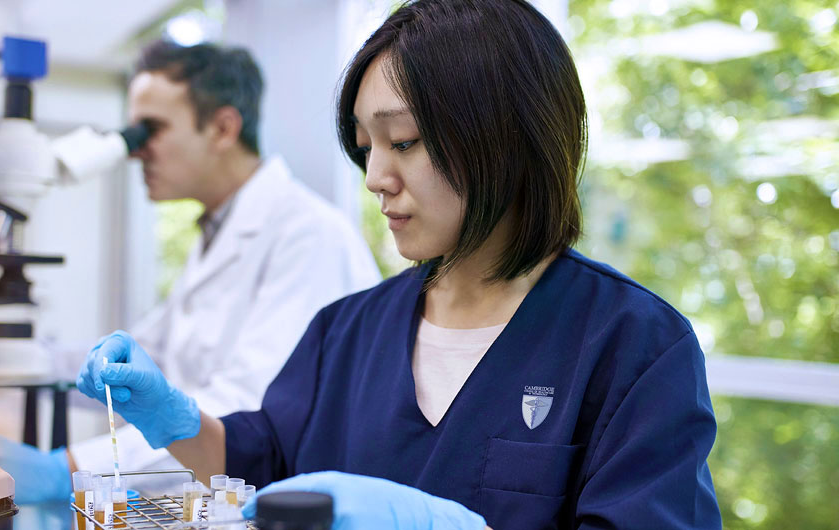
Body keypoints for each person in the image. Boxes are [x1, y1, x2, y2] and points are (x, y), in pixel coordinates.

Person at [76, 0, 722, 528]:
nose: (376, 178)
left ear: (506, 133)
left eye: (403, 141)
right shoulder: (347, 331)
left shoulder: (634, 345)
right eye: (365, 147)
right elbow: (264, 463)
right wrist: (171, 418)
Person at [0, 41, 379, 503]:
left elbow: (247, 414)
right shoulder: (218, 232)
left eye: (151, 130)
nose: (135, 152)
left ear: (223, 128)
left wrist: (67, 469)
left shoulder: (308, 236)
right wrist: (27, 363)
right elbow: (149, 364)